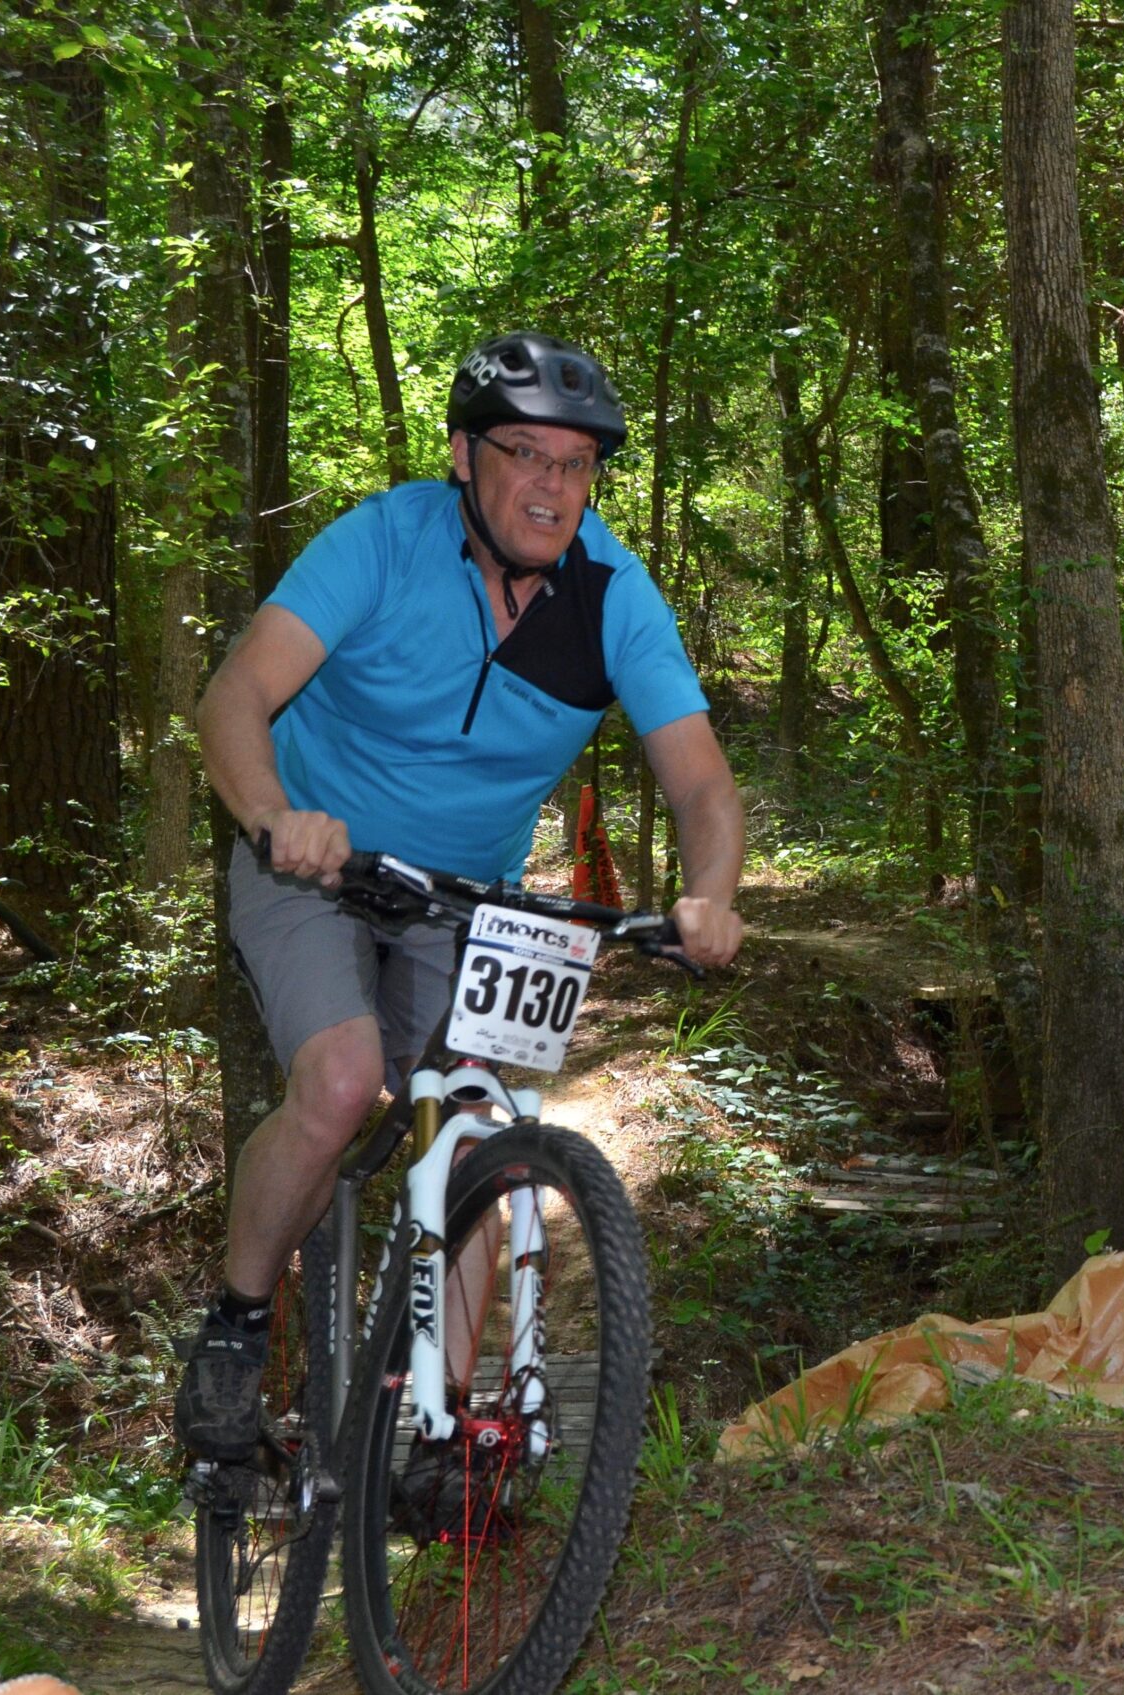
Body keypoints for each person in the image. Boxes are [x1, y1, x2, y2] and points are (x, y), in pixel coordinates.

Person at [177, 332, 745, 1462]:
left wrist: (710, 895)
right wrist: (273, 814)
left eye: (576, 464)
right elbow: (234, 696)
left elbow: (701, 779)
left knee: (480, 1118)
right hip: (312, 863)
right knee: (339, 1085)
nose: (552, 484)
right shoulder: (385, 542)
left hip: (469, 894)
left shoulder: (611, 594)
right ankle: (238, 1324)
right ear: (463, 457)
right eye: (525, 454)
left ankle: (437, 1425)